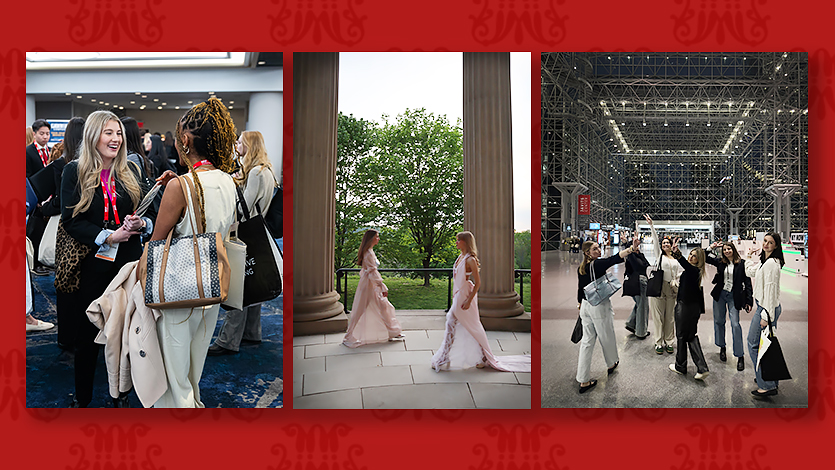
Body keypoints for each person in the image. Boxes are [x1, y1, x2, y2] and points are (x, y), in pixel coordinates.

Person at [150, 97, 238, 408]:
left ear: (185, 141)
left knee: (173, 376)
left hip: (179, 285)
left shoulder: (182, 186)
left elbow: (157, 244)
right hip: (213, 282)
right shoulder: (228, 181)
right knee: (192, 368)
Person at [60, 111, 151, 407]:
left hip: (129, 263)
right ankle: (83, 399)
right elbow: (71, 220)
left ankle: (121, 395)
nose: (115, 139)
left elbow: (150, 212)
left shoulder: (131, 171)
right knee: (87, 335)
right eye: (108, 133)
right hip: (94, 263)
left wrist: (142, 225)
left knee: (128, 332)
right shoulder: (74, 171)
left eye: (119, 133)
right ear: (93, 136)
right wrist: (108, 236)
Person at [208, 130, 280, 356]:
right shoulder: (266, 170)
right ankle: (252, 332)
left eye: (240, 141)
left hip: (243, 233)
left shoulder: (256, 173)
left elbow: (243, 207)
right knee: (254, 280)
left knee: (238, 286)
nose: (237, 144)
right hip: (258, 232)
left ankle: (228, 340)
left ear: (250, 145)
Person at [431, 231, 531, 372]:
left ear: (465, 241)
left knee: (465, 325)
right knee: (457, 323)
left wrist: (468, 301)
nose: (456, 242)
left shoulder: (470, 259)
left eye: (458, 240)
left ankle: (452, 356)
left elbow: (478, 283)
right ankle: (457, 356)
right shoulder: (461, 257)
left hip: (465, 296)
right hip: (459, 294)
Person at [28, 116, 85, 348]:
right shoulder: (94, 165)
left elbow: (54, 199)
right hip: (88, 231)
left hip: (66, 230)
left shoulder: (63, 164)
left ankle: (67, 337)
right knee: (86, 283)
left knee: (65, 281)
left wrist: (43, 209)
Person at [573, 236, 639, 393]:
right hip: (599, 306)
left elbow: (579, 288)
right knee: (606, 335)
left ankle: (583, 380)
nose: (598, 250)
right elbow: (615, 259)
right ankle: (611, 363)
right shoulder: (598, 264)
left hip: (585, 306)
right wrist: (631, 248)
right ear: (588, 253)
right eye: (594, 249)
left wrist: (580, 304)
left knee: (587, 342)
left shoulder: (581, 267)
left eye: (598, 247)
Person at [342, 229, 405, 348]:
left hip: (369, 284)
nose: (378, 238)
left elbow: (367, 271)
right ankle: (349, 335)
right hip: (369, 286)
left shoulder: (370, 251)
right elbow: (372, 272)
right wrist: (382, 286)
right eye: (377, 236)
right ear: (371, 239)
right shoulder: (369, 253)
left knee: (384, 307)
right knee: (362, 310)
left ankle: (393, 332)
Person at [745, 232, 785, 398]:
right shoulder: (767, 262)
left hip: (766, 309)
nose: (766, 244)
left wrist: (764, 316)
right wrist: (748, 255)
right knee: (765, 346)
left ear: (776, 246)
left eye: (770, 242)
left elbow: (769, 292)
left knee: (753, 344)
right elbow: (750, 272)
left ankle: (766, 384)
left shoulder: (771, 265)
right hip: (768, 308)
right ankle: (769, 379)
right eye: (765, 241)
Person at [705, 241, 753, 371]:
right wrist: (711, 247)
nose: (727, 251)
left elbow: (747, 283)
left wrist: (749, 300)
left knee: (735, 324)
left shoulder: (741, 264)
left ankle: (740, 355)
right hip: (720, 295)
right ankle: (722, 347)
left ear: (733, 250)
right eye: (725, 249)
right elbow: (704, 256)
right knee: (719, 321)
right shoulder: (721, 262)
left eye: (729, 249)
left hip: (734, 296)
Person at [668, 240, 710, 380]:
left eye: (694, 256)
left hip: (685, 307)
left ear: (699, 260)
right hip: (694, 308)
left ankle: (680, 366)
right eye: (690, 254)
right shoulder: (696, 272)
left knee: (681, 335)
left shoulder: (693, 270)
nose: (691, 257)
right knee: (691, 336)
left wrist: (676, 253)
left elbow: (684, 264)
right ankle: (702, 367)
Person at [646, 215, 681, 355]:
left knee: (670, 317)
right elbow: (655, 240)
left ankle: (669, 341)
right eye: (664, 243)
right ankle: (658, 342)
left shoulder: (676, 258)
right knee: (658, 316)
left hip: (672, 288)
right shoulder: (660, 255)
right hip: (659, 287)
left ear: (671, 245)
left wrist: (676, 280)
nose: (665, 245)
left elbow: (679, 272)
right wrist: (651, 226)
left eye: (668, 243)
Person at [26, 119, 53, 276]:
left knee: (44, 232)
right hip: (36, 198)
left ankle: (42, 261)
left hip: (48, 198)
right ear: (34, 134)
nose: (45, 137)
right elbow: (27, 176)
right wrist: (36, 199)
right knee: (35, 231)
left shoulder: (49, 151)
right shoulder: (28, 151)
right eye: (42, 134)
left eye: (47, 134)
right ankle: (34, 263)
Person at [623, 245, 651, 339]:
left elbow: (646, 263)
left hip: (637, 283)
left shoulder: (637, 256)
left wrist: (639, 253)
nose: (637, 248)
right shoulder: (631, 257)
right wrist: (629, 246)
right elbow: (641, 266)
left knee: (639, 305)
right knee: (643, 307)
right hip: (639, 283)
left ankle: (631, 323)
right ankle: (641, 332)